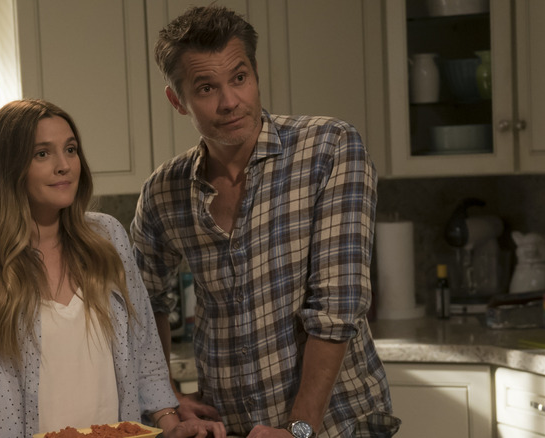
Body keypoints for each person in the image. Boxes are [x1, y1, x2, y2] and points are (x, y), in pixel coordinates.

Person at [131, 6, 401, 438]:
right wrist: (165, 397)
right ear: (177, 100)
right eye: (206, 88)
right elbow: (141, 304)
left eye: (239, 78)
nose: (229, 101)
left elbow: (337, 306)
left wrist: (299, 428)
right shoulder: (165, 191)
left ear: (255, 74)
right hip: (232, 427)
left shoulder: (329, 148)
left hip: (337, 425)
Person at [0, 99, 226, 438]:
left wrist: (171, 425)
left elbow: (144, 350)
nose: (64, 166)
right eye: (42, 154)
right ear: (8, 167)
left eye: (70, 150)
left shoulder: (107, 238)